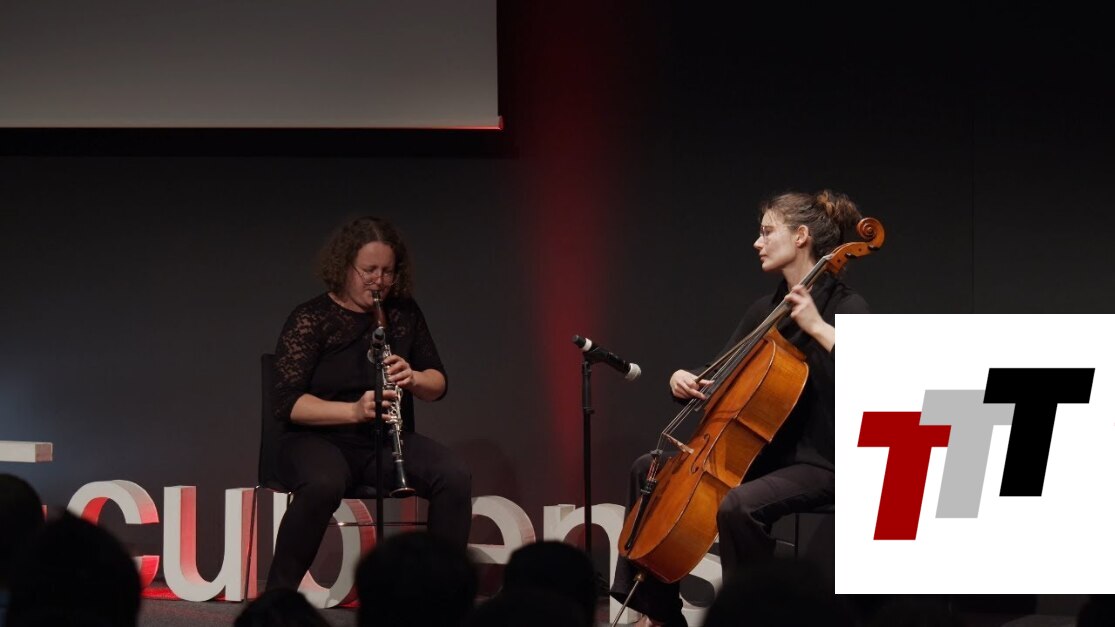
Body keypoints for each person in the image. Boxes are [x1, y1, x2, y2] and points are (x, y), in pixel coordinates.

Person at [610, 190, 871, 626]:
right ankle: (661, 614)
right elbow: (722, 371)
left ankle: (753, 618)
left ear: (801, 237)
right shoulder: (766, 310)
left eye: (767, 232)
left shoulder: (846, 306)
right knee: (647, 469)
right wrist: (687, 379)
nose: (757, 242)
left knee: (739, 507)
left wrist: (817, 327)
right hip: (765, 455)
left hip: (820, 460)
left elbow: (875, 375)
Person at [266, 216, 472, 592]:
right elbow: (287, 403)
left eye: (387, 272)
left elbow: (438, 383)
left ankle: (441, 595)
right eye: (369, 270)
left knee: (454, 475)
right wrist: (353, 411)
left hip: (379, 443)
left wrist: (414, 377)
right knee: (323, 483)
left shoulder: (404, 314)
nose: (379, 281)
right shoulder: (311, 318)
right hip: (313, 440)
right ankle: (278, 596)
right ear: (344, 267)